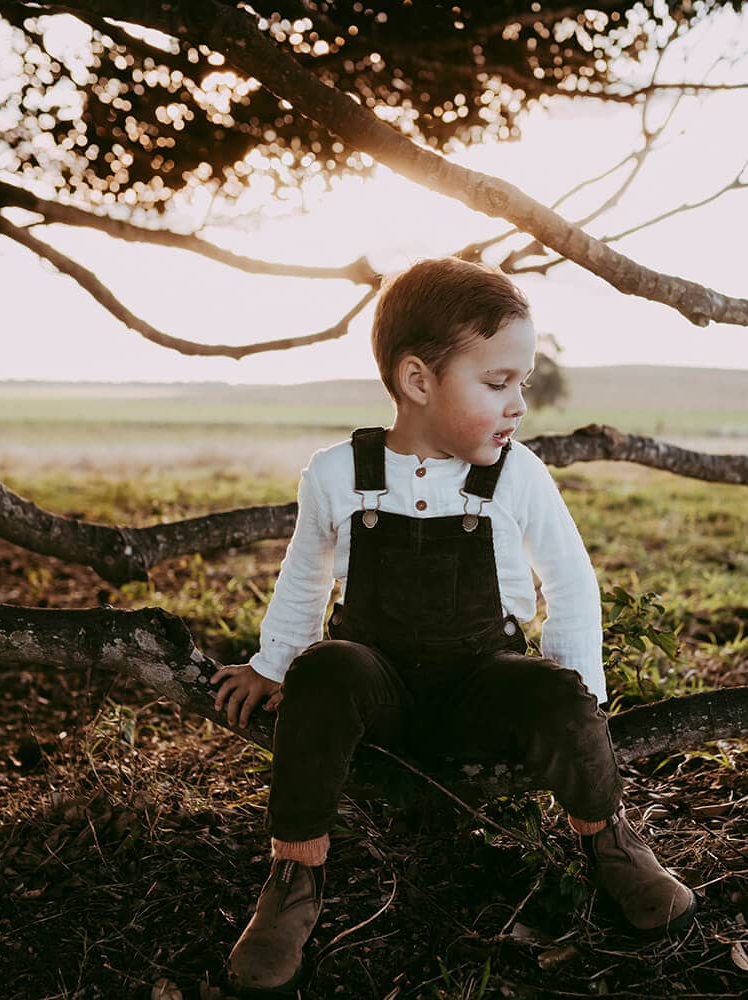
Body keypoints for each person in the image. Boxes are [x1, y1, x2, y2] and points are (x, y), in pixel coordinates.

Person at [209, 257, 696, 993]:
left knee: (559, 700)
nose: (517, 405)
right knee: (325, 671)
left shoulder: (518, 474)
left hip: (481, 681)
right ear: (417, 382)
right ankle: (293, 877)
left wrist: (581, 691)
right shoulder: (338, 474)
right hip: (379, 686)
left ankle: (609, 842)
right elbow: (305, 576)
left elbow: (569, 582)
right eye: (498, 384)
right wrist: (273, 664)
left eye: (521, 385)